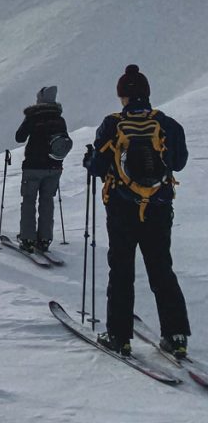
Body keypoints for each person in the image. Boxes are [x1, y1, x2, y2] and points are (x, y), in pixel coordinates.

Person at [84, 65, 190, 358]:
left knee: (121, 270)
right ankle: (176, 334)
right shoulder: (167, 124)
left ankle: (119, 336)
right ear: (147, 93)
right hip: (158, 207)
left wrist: (90, 160)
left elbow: (98, 167)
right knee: (161, 269)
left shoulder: (112, 124)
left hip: (121, 209)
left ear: (123, 96)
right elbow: (179, 162)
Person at [15, 86, 69, 253]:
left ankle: (28, 238)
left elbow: (19, 137)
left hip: (33, 166)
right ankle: (45, 239)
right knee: (47, 201)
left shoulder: (34, 117)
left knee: (29, 200)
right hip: (54, 167)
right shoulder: (60, 119)